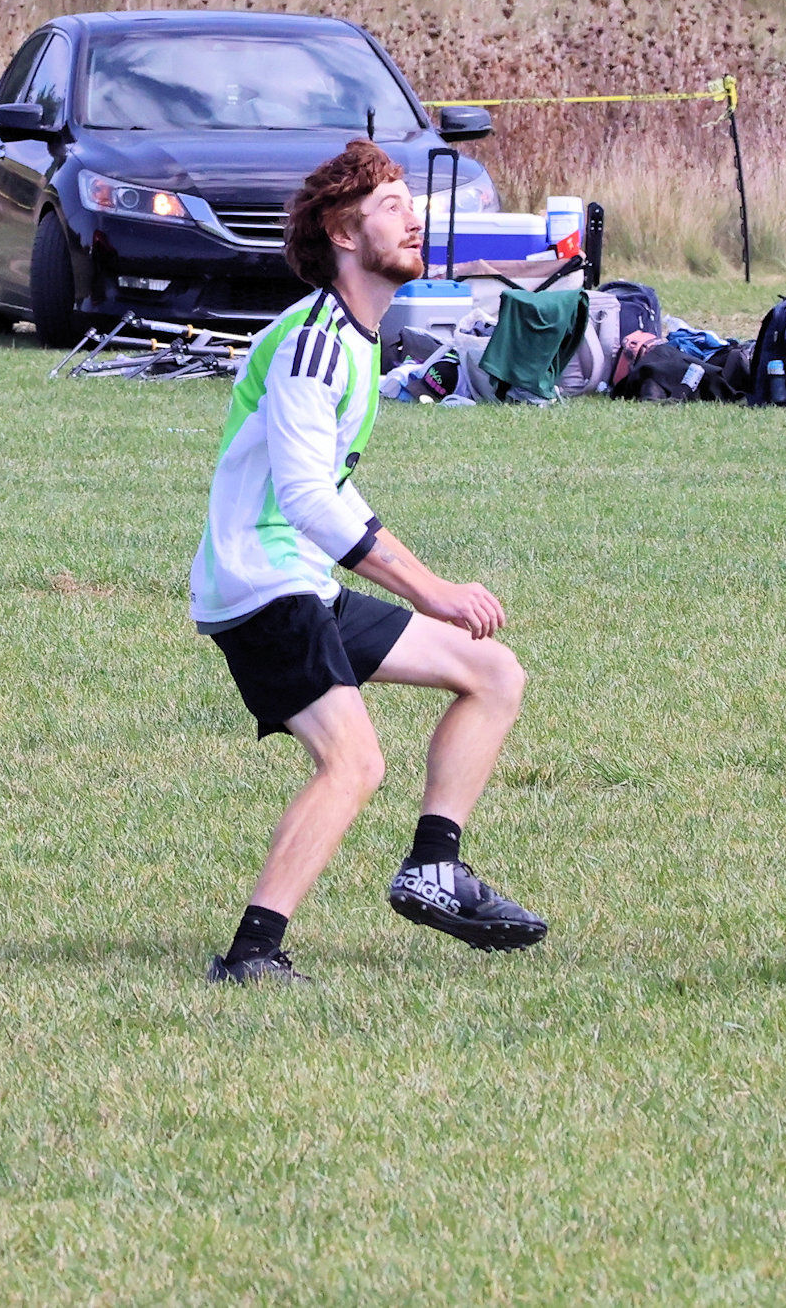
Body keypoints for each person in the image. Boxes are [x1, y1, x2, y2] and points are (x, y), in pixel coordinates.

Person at [191, 139, 546, 983]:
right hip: (260, 583)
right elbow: (308, 500)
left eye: (408, 203)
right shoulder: (314, 342)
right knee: (354, 761)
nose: (412, 219)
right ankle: (251, 955)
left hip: (299, 579)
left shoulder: (357, 338)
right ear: (343, 234)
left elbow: (332, 495)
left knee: (493, 673)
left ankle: (434, 867)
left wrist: (431, 587)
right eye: (390, 206)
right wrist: (431, 589)